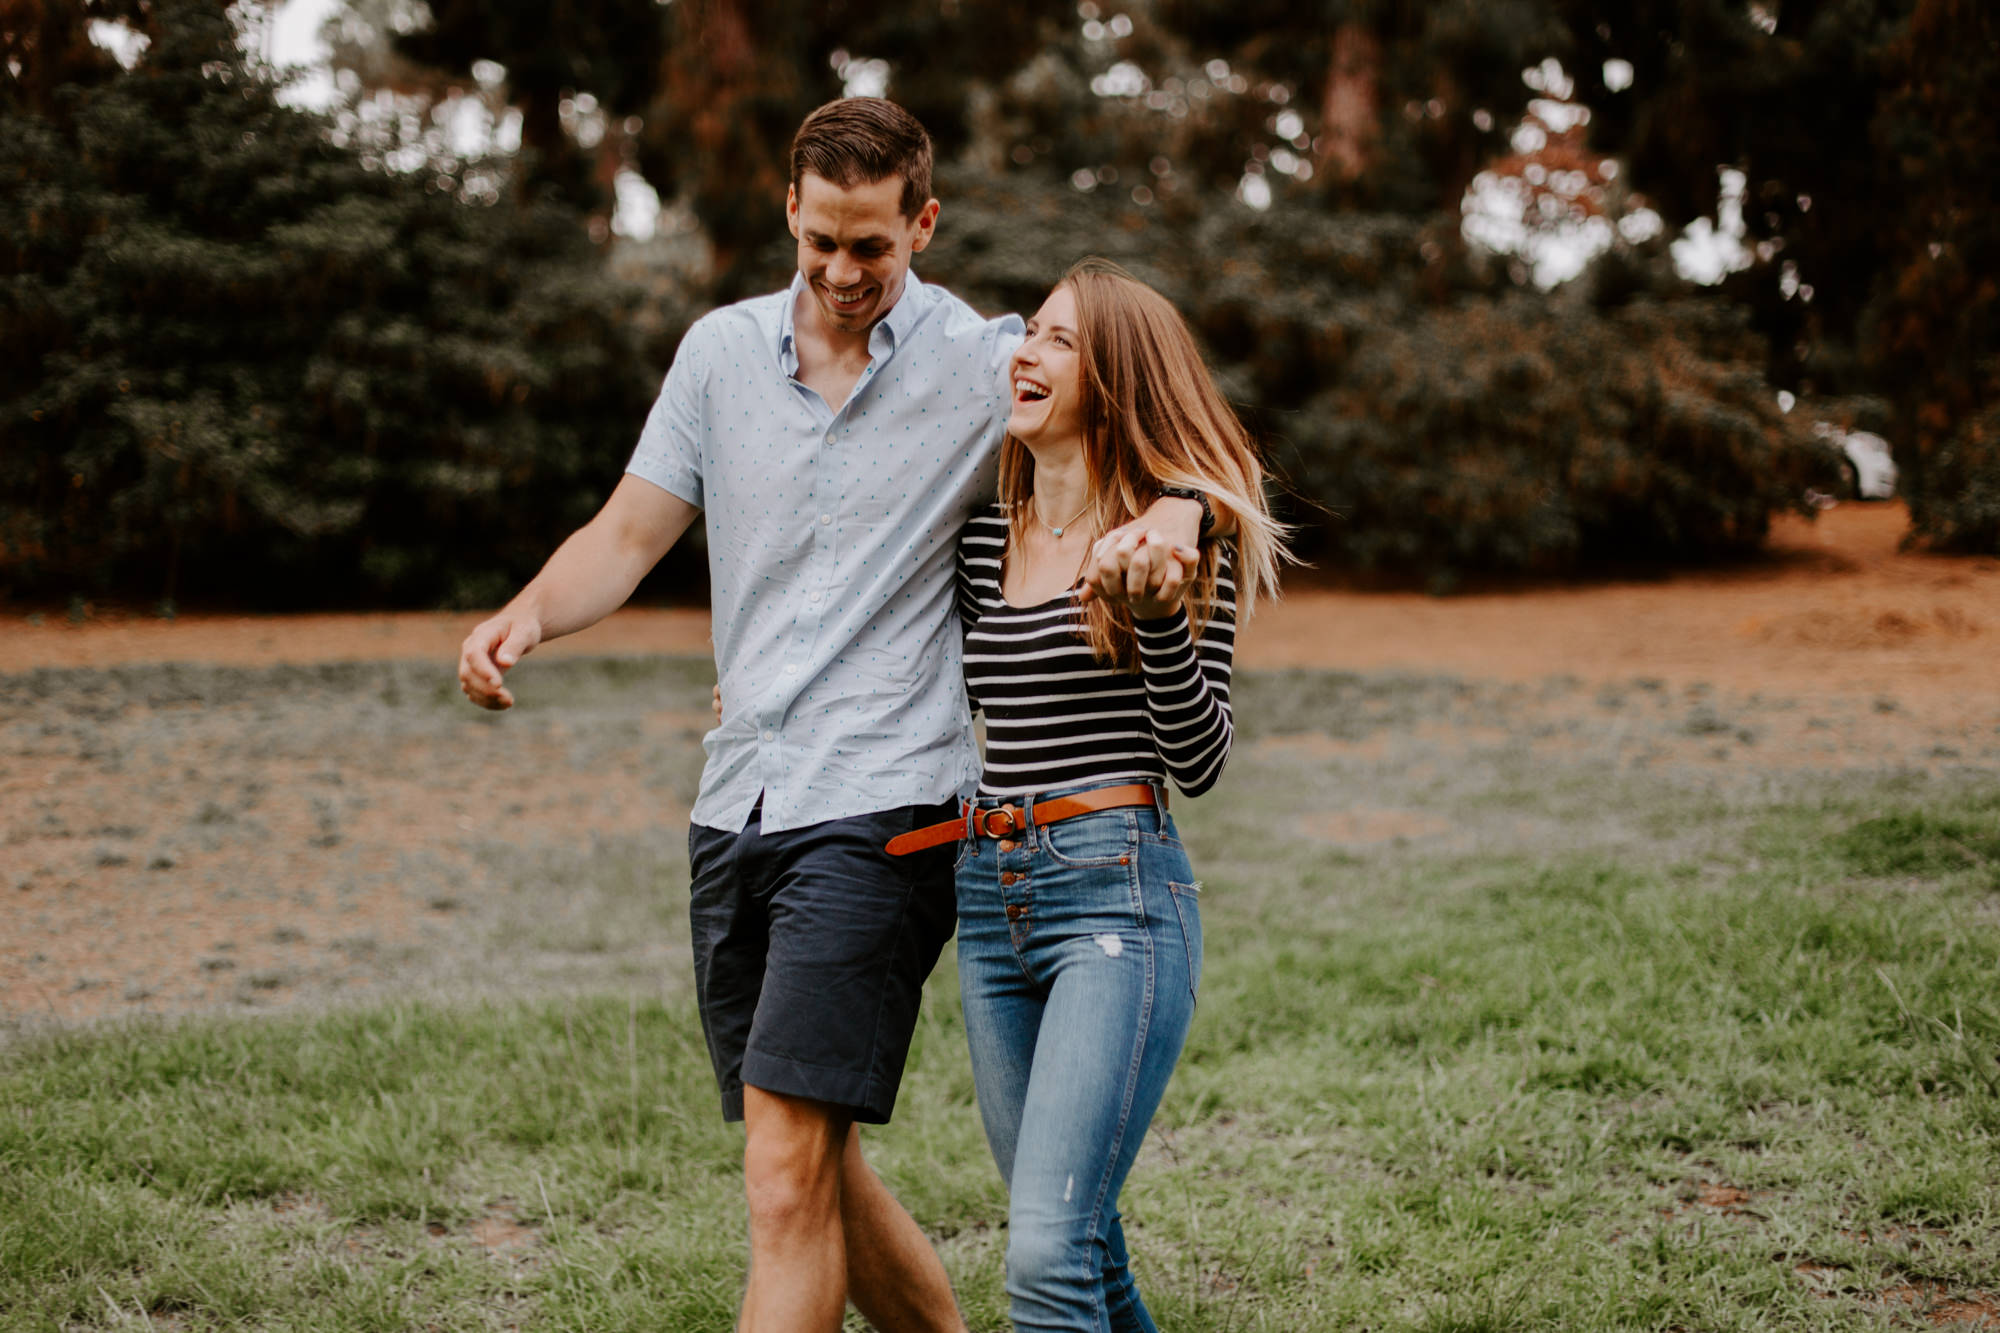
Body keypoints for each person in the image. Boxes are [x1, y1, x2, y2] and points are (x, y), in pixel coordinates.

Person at [455, 100, 1215, 1333]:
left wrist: (1177, 513)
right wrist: (528, 617)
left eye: (873, 246)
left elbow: (1139, 396)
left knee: (778, 1176)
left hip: (887, 806)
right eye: (820, 242)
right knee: (806, 1158)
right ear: (789, 215)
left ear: (921, 223)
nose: (843, 272)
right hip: (734, 797)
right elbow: (629, 532)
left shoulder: (983, 359)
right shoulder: (716, 355)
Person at [886, 258, 1287, 1331]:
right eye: (1032, 334)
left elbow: (1197, 762)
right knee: (1079, 1239)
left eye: (1060, 340)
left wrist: (1156, 617)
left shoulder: (1173, 540)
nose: (1026, 351)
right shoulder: (979, 542)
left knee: (1043, 1256)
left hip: (1113, 893)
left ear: (1115, 379)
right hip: (986, 896)